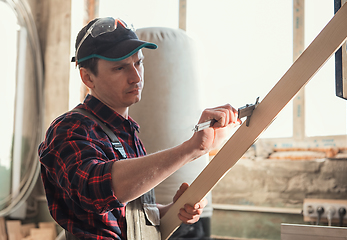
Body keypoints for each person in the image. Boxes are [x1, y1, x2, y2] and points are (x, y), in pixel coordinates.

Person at [38, 17, 240, 240]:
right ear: (88, 77)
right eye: (120, 68)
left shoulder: (127, 132)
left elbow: (129, 215)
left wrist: (175, 208)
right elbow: (95, 191)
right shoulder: (70, 128)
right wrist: (191, 149)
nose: (136, 77)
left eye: (138, 63)